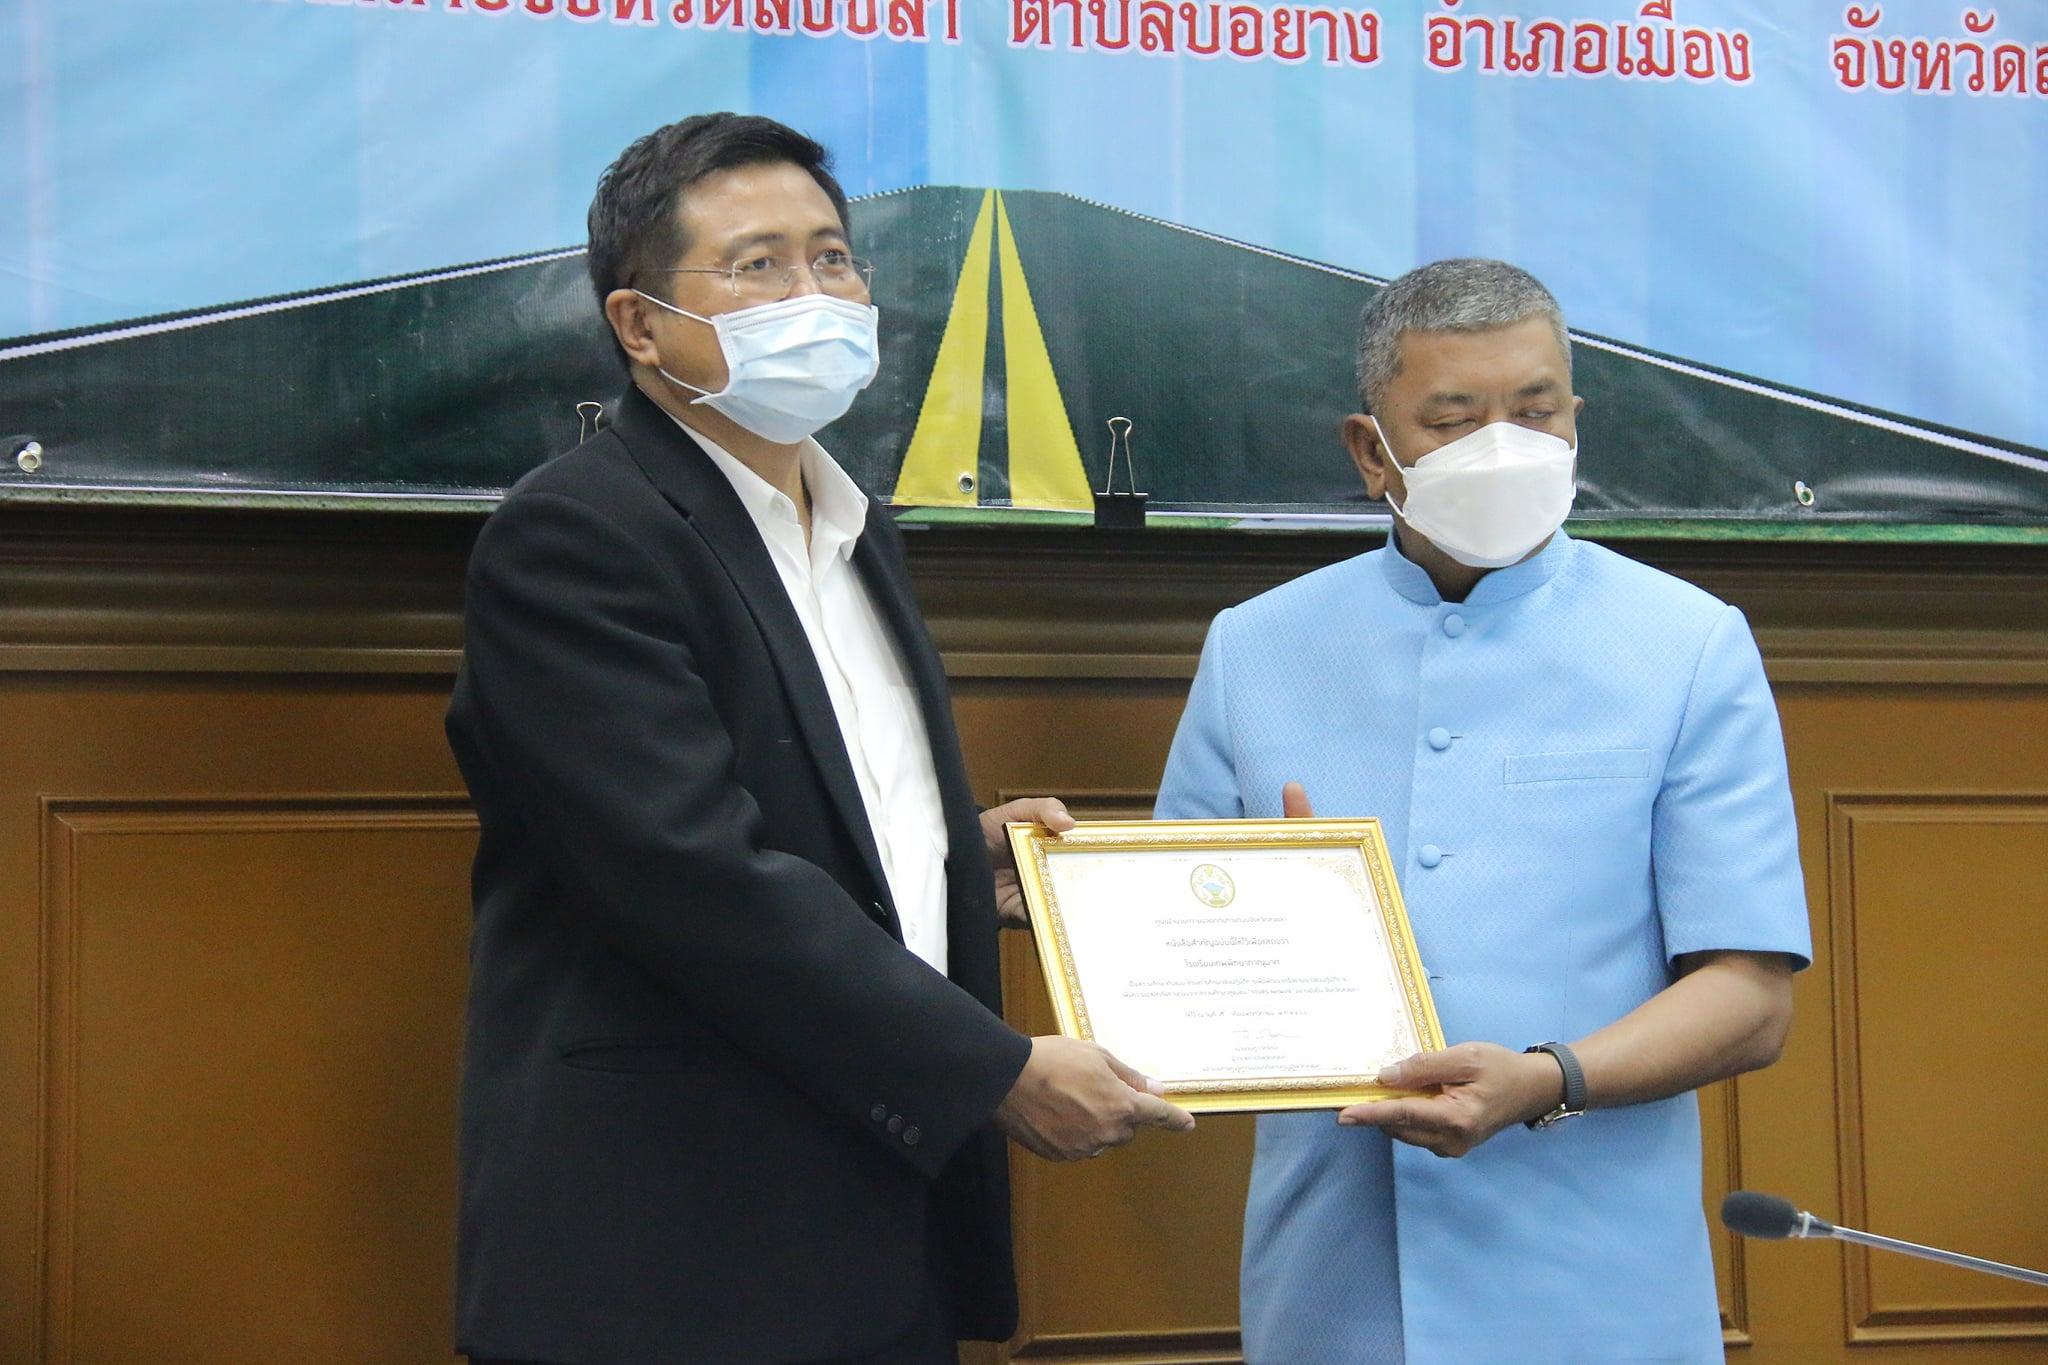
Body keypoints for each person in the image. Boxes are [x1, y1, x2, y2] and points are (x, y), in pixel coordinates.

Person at [445, 112, 1193, 1365]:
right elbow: (687, 874)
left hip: (879, 1225)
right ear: (639, 325)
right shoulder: (576, 536)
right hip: (674, 1250)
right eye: (757, 265)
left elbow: (812, 800)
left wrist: (952, 857)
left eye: (832, 258)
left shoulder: (854, 526)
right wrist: (992, 1070)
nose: (815, 294)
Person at [1155, 259, 1811, 1364]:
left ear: (1575, 420)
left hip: (1593, 1283)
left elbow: (1749, 998)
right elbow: (1171, 952)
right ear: (1373, 452)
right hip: (1334, 1282)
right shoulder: (1254, 647)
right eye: (1455, 421)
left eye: (1536, 411)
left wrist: (1546, 1079)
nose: (1503, 447)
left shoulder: (1687, 643)